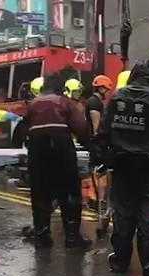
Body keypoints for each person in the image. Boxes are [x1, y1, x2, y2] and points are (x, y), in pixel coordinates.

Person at [101, 59, 149, 276]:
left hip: (121, 164)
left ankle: (120, 262)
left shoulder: (117, 96)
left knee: (123, 214)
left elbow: (104, 130)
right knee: (148, 215)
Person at [26, 73, 92, 249]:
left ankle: (42, 236)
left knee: (40, 194)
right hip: (61, 149)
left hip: (37, 151)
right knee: (69, 193)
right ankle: (72, 237)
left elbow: (23, 131)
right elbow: (81, 128)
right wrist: (91, 145)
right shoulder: (65, 102)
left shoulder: (33, 104)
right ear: (61, 88)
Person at [86, 75, 112, 211]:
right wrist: (100, 141)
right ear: (101, 88)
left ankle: (95, 199)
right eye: (107, 89)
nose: (108, 92)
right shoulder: (95, 103)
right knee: (99, 171)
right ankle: (96, 199)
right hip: (98, 143)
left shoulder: (94, 101)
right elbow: (96, 125)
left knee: (97, 170)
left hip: (96, 143)